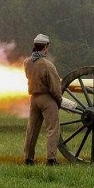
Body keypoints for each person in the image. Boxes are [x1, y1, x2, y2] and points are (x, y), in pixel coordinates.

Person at [23, 33, 62, 165]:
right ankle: (51, 159)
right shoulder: (47, 65)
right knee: (52, 128)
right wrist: (59, 100)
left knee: (32, 130)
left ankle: (28, 158)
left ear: (35, 46)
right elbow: (55, 87)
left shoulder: (27, 62)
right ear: (45, 47)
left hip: (34, 99)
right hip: (47, 99)